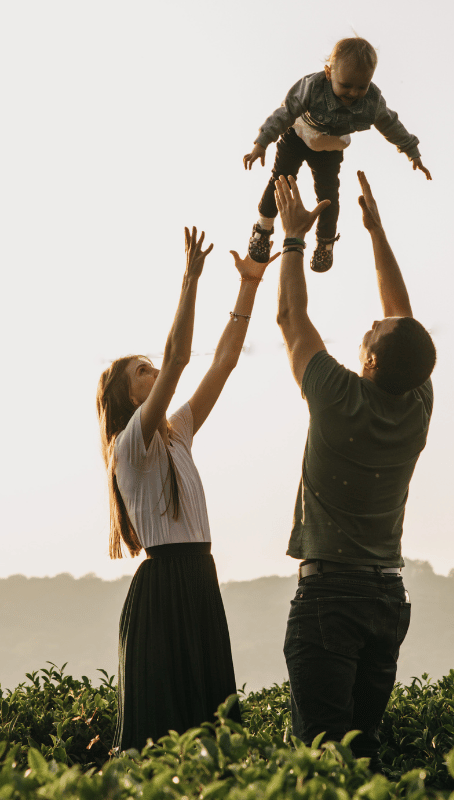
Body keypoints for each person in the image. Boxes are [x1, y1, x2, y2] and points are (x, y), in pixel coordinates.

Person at [271, 171, 435, 770]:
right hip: (387, 597)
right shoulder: (416, 401)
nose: (371, 322)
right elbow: (405, 321)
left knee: (321, 760)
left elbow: (291, 319)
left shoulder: (338, 396)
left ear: (368, 360)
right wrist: (376, 231)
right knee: (362, 759)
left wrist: (292, 239)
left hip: (331, 597)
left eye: (371, 331)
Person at [96, 228, 274, 752]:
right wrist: (190, 281)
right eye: (142, 371)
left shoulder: (177, 433)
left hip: (198, 578)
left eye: (151, 367)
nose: (155, 372)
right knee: (163, 736)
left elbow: (222, 363)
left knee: (212, 731)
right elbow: (179, 359)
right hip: (165, 589)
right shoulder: (130, 443)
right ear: (126, 395)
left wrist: (249, 286)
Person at [242, 36, 432, 274]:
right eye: (346, 85)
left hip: (329, 147)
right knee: (281, 179)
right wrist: (262, 142)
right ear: (329, 72)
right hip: (298, 134)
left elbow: (390, 124)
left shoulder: (372, 102)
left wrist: (411, 151)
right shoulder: (312, 86)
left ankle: (325, 242)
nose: (353, 93)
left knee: (328, 195)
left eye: (361, 87)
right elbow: (286, 112)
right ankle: (263, 227)